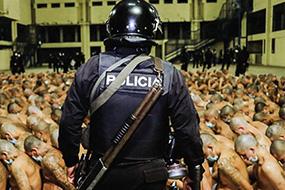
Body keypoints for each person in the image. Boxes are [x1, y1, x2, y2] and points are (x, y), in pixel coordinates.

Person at [59, 0, 204, 189]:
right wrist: (194, 168)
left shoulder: (93, 67)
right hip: (150, 176)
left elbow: (69, 121)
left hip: (101, 175)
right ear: (152, 30)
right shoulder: (168, 73)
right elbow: (187, 129)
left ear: (111, 28)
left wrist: (71, 160)